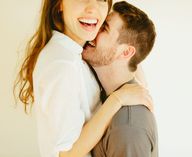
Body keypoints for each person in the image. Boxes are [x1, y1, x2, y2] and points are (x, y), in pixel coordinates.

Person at [14, 0, 153, 157]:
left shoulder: (77, 50)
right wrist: (117, 99)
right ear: (59, 4)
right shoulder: (62, 65)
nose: (92, 8)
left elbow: (125, 52)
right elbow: (65, 154)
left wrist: (137, 78)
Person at [82, 1, 158, 157]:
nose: (94, 31)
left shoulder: (127, 127)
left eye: (104, 28)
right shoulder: (111, 93)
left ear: (125, 53)